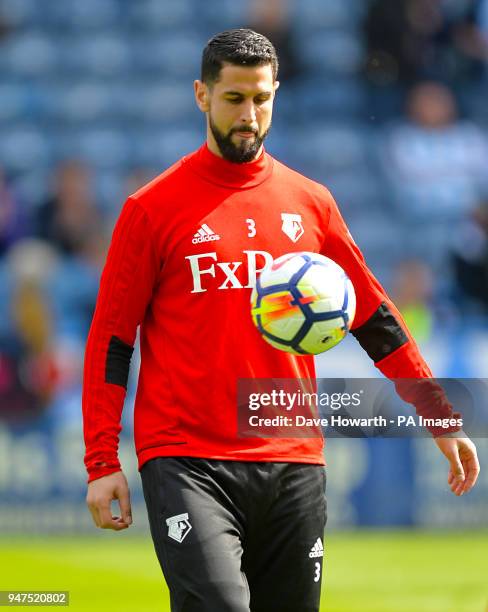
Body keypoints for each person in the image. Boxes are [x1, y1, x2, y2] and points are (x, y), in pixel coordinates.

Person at [83, 29, 480, 612]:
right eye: (234, 99)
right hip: (188, 458)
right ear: (201, 95)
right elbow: (112, 340)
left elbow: (375, 319)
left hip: (293, 458)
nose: (250, 115)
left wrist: (440, 417)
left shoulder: (310, 203)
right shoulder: (152, 209)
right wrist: (100, 461)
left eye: (261, 99)